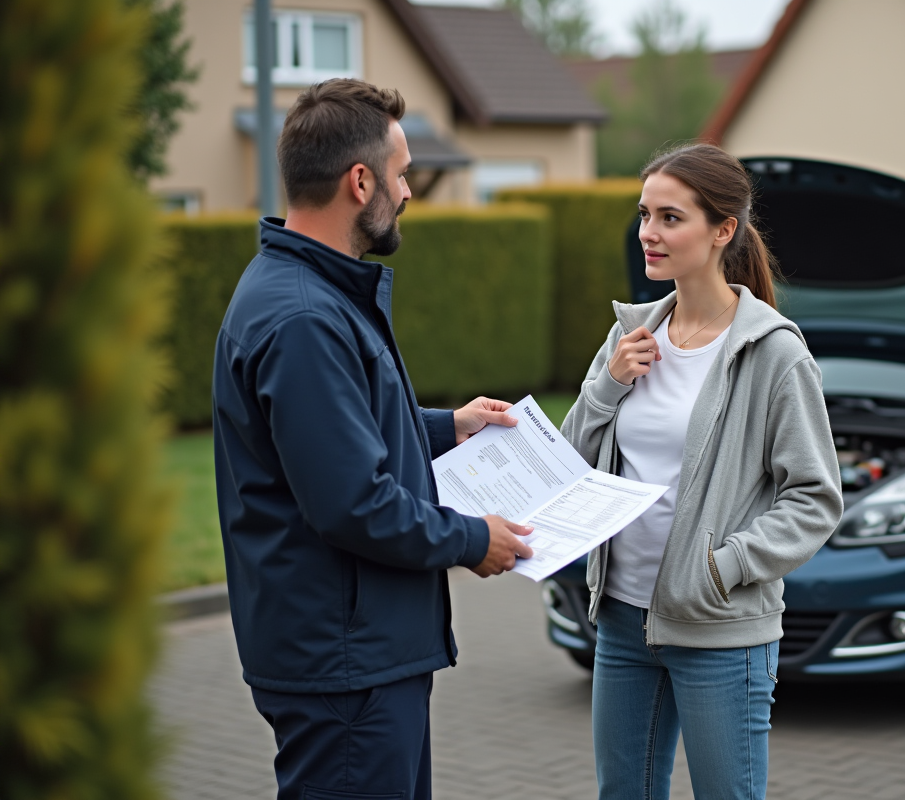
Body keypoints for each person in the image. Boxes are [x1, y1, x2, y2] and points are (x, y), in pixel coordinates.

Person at [211, 79, 533, 800]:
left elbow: (334, 430)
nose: (410, 191)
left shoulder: (305, 292)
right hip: (344, 661)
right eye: (402, 172)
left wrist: (448, 427)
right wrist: (472, 539)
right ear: (361, 182)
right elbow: (351, 501)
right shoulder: (302, 317)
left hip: (352, 651)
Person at [561, 143, 843, 799]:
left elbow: (815, 498)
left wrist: (726, 565)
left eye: (669, 218)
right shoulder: (629, 337)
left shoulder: (773, 353)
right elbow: (569, 462)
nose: (648, 235)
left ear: (722, 231)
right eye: (643, 215)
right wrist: (607, 385)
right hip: (623, 621)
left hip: (719, 628)